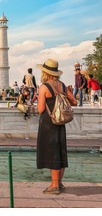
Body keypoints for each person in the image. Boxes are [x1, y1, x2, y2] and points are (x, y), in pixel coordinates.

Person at [36, 59, 77, 194]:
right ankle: (59, 182)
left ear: (45, 73)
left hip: (49, 123)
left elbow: (40, 109)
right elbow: (74, 101)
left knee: (51, 152)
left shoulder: (44, 87)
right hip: (60, 122)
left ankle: (54, 186)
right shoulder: (62, 85)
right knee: (60, 150)